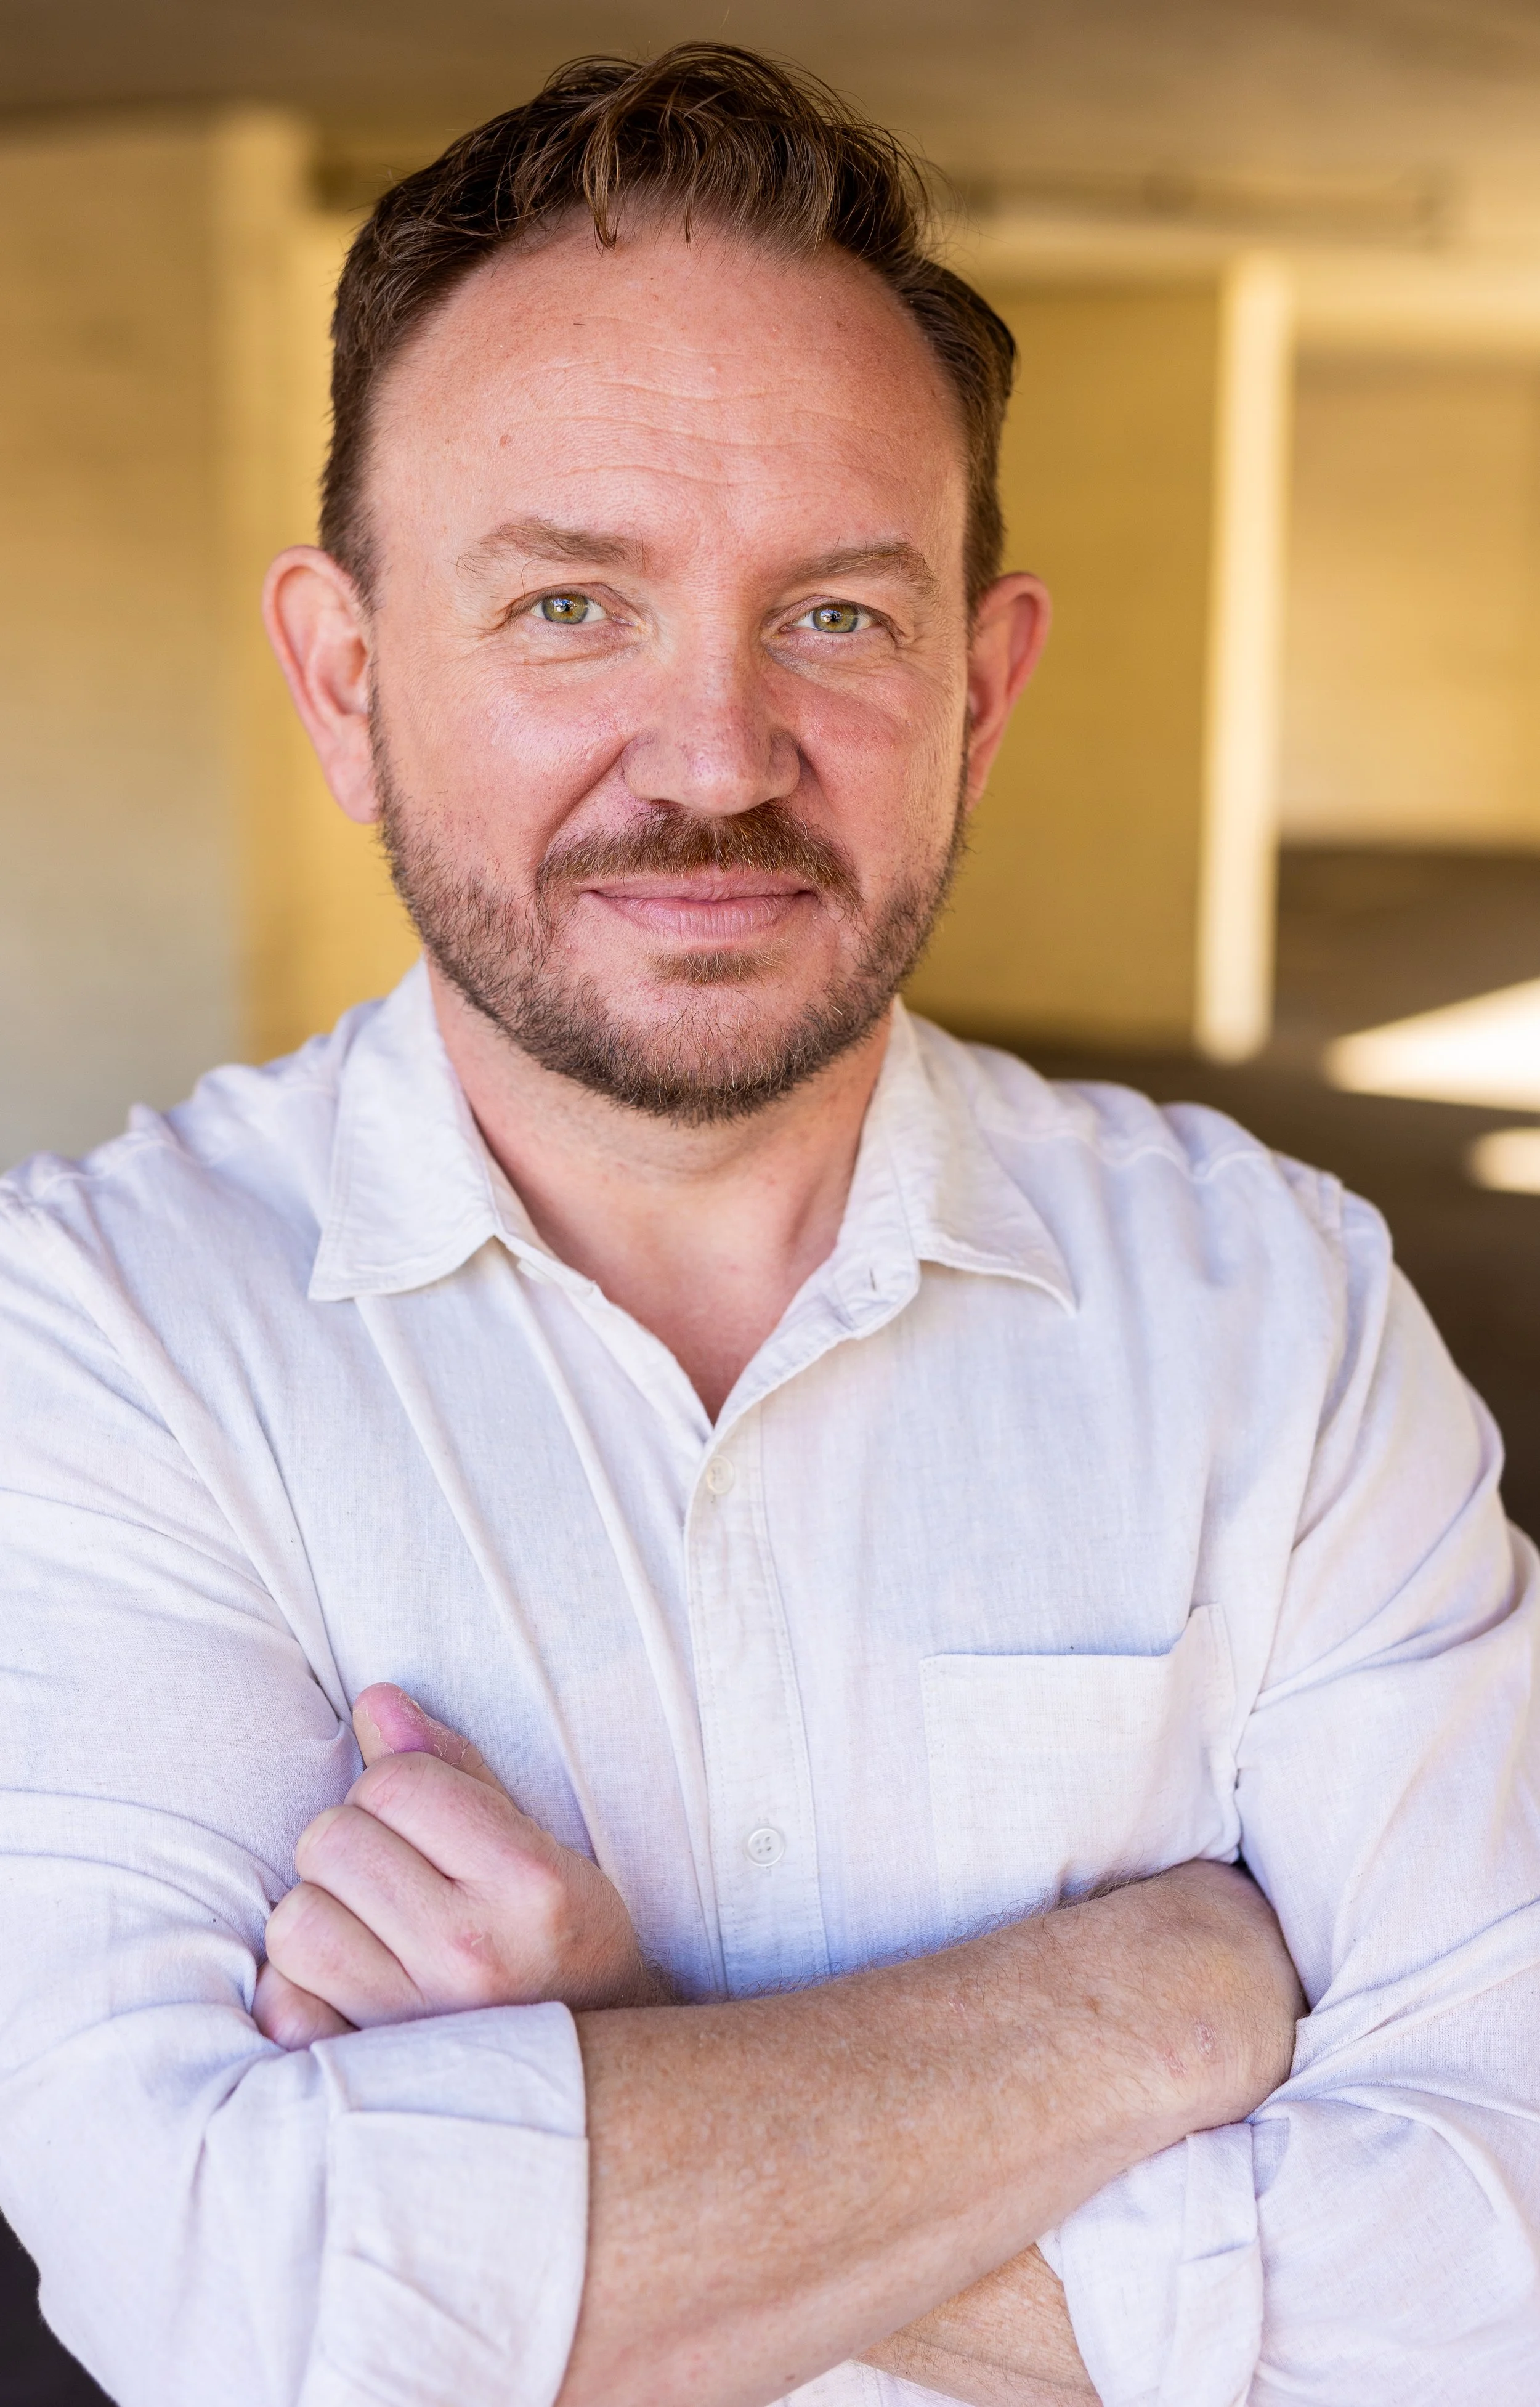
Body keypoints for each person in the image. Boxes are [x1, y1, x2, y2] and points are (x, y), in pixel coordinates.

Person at [0, 42, 1535, 2407]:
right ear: (346, 677)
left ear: (979, 689)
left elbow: (1500, 2252)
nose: (713, 756)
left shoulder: (1281, 1307)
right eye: (566, 609)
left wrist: (608, 2077)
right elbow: (239, 2293)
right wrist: (1149, 2007)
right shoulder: (96, 1336)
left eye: (832, 616)